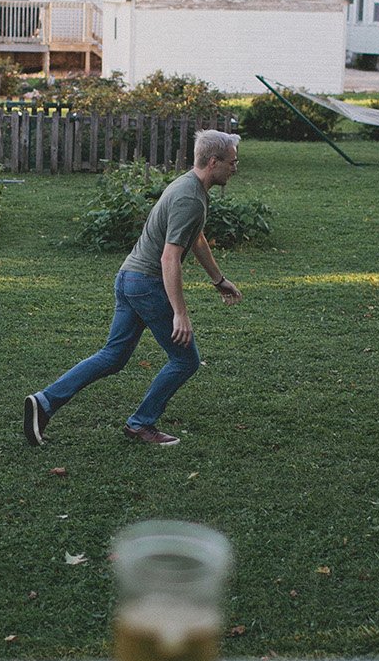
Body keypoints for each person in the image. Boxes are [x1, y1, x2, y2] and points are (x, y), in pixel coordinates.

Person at [24, 130, 245, 447]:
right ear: (214, 162)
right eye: (232, 162)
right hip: (147, 283)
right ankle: (141, 423)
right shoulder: (189, 198)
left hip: (130, 277)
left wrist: (218, 279)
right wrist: (180, 314)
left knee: (113, 356)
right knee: (185, 361)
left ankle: (44, 402)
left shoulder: (190, 186)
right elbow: (170, 257)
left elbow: (195, 238)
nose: (235, 168)